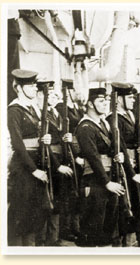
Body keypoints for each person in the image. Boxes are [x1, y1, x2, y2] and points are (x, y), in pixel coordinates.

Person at [75, 87, 130, 247]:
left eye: (106, 101)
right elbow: (93, 158)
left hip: (107, 179)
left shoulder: (102, 124)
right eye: (101, 101)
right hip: (95, 181)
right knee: (93, 231)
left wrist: (117, 156)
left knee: (107, 230)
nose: (105, 104)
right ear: (90, 104)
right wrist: (107, 182)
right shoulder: (85, 127)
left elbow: (111, 148)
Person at [7, 69, 51, 246]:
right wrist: (34, 170)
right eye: (30, 86)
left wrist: (45, 139)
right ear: (18, 87)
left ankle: (30, 249)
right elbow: (18, 144)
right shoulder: (14, 110)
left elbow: (36, 136)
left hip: (35, 167)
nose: (34, 89)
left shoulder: (32, 109)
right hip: (24, 168)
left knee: (33, 215)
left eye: (34, 85)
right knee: (20, 214)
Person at [106, 82, 140, 247]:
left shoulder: (130, 116)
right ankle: (124, 244)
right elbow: (121, 145)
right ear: (120, 99)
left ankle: (134, 240)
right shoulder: (114, 118)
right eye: (129, 97)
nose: (132, 101)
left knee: (136, 202)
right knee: (125, 205)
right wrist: (131, 173)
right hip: (124, 168)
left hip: (134, 164)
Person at [35, 80, 74, 246]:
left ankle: (54, 237)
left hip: (60, 157)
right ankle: (43, 238)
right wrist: (57, 165)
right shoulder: (40, 114)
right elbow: (45, 145)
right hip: (48, 160)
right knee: (46, 199)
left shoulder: (56, 113)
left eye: (53, 94)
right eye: (48, 94)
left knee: (58, 199)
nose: (53, 97)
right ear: (39, 95)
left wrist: (68, 138)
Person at [56, 79, 84, 242]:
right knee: (67, 194)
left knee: (76, 193)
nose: (78, 93)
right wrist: (76, 153)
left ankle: (75, 226)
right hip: (69, 154)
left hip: (77, 153)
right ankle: (65, 229)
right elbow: (66, 135)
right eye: (75, 90)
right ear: (68, 92)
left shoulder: (77, 108)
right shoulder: (62, 108)